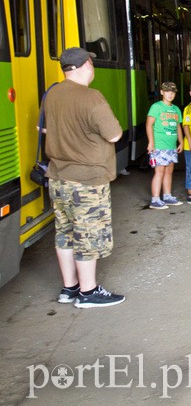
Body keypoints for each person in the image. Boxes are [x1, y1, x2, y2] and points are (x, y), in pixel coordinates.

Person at [44, 47, 125, 308]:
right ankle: (88, 293)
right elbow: (114, 135)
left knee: (64, 233)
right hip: (87, 181)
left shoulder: (52, 93)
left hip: (57, 177)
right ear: (86, 65)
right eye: (91, 62)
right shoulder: (92, 98)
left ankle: (69, 288)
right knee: (88, 236)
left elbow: (43, 127)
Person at [146, 82, 184, 209]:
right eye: (167, 91)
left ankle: (167, 196)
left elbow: (178, 127)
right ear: (162, 92)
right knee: (160, 171)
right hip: (159, 145)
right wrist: (151, 142)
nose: (170, 94)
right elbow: (149, 125)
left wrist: (181, 142)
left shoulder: (176, 109)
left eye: (173, 92)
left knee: (169, 170)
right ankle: (155, 200)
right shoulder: (156, 107)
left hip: (171, 146)